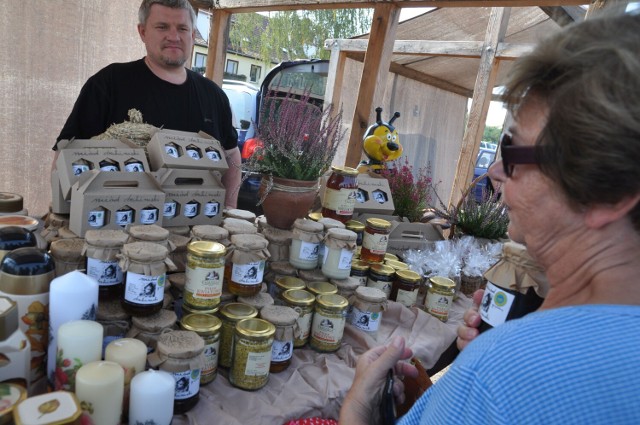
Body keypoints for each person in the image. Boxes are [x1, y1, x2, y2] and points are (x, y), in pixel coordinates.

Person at [340, 12, 640, 424]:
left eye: (513, 152)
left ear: (609, 193)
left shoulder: (507, 373)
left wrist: (356, 407)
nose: (495, 172)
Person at [54, 0, 241, 208]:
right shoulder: (108, 83)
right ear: (142, 32)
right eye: (162, 27)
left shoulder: (214, 95)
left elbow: (232, 157)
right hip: (118, 224)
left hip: (196, 228)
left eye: (182, 28)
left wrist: (230, 212)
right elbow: (65, 153)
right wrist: (62, 216)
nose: (173, 36)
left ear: (192, 34)